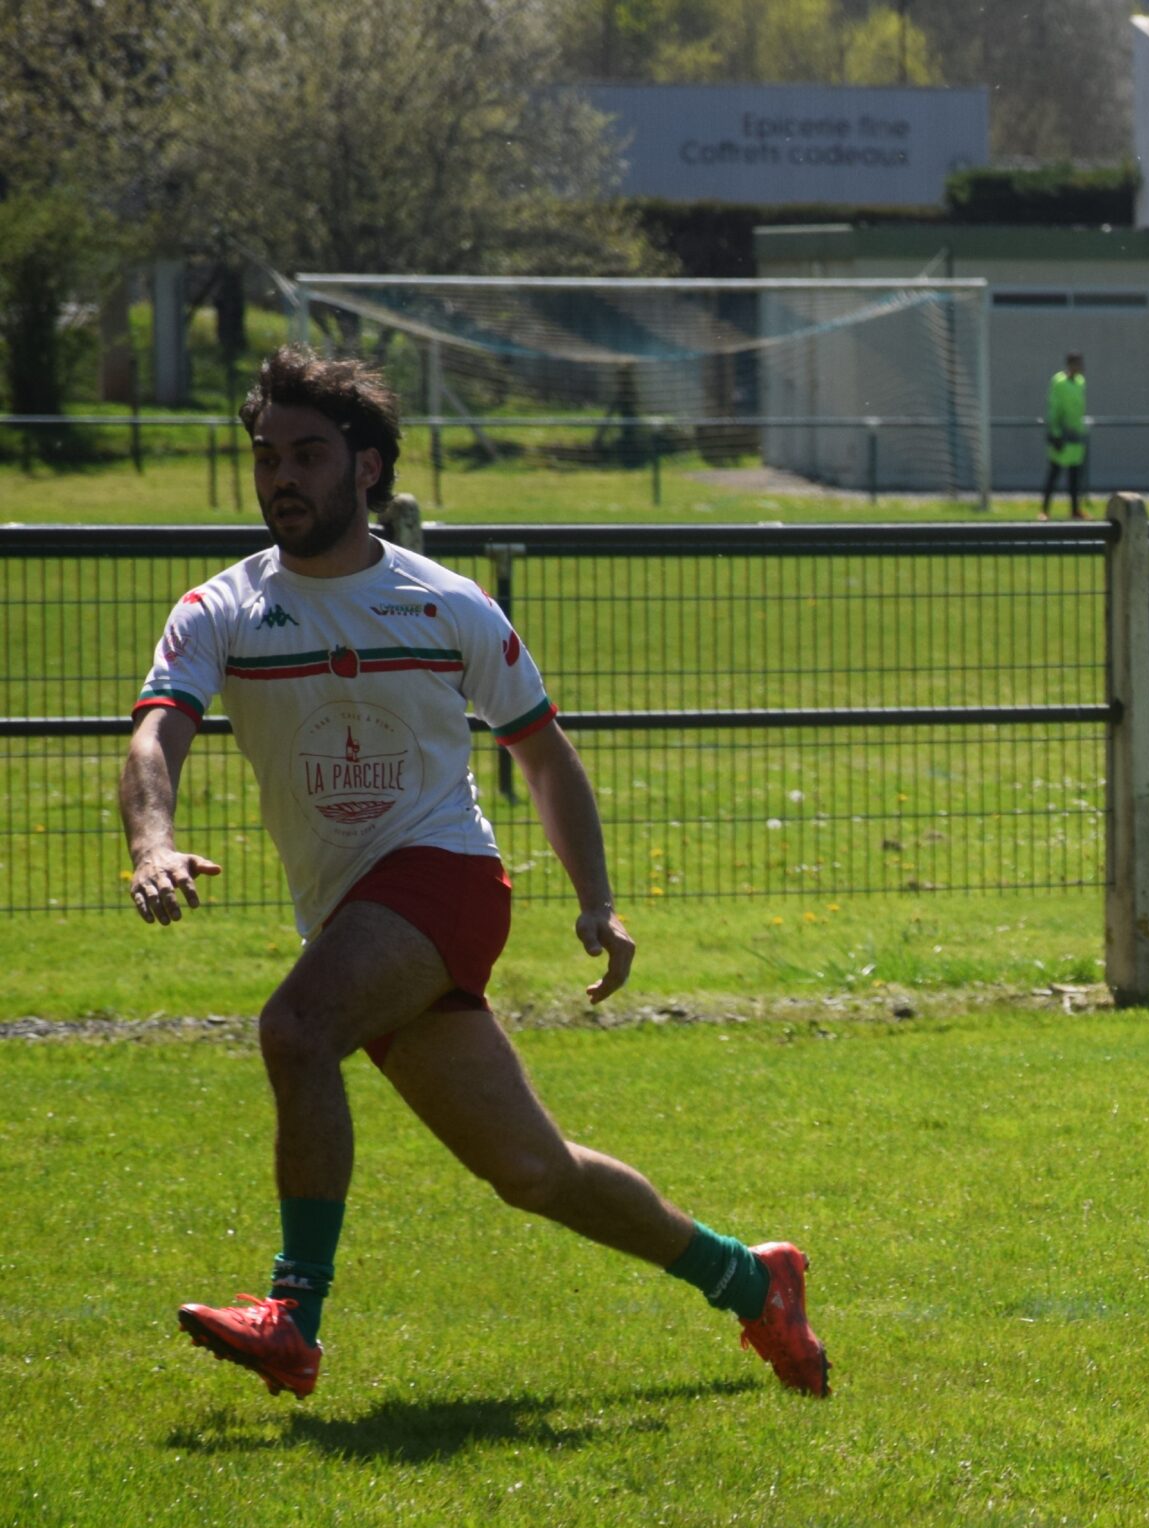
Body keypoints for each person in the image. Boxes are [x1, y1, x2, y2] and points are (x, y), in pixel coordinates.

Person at [123, 346, 830, 1400]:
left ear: (366, 468)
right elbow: (154, 739)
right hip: (353, 916)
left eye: (309, 454)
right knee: (533, 1172)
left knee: (296, 1030)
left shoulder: (444, 603)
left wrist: (596, 900)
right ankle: (752, 1280)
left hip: (446, 879)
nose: (283, 477)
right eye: (268, 456)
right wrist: (152, 841)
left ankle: (292, 1317)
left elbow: (541, 751)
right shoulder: (219, 609)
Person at [1039, 352, 1088, 521]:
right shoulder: (1059, 381)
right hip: (1061, 435)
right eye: (1078, 363)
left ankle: (1075, 510)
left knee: (1074, 476)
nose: (1081, 367)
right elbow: (1054, 407)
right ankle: (1044, 510)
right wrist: (1055, 433)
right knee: (1054, 474)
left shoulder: (1081, 382)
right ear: (1070, 364)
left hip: (1075, 436)